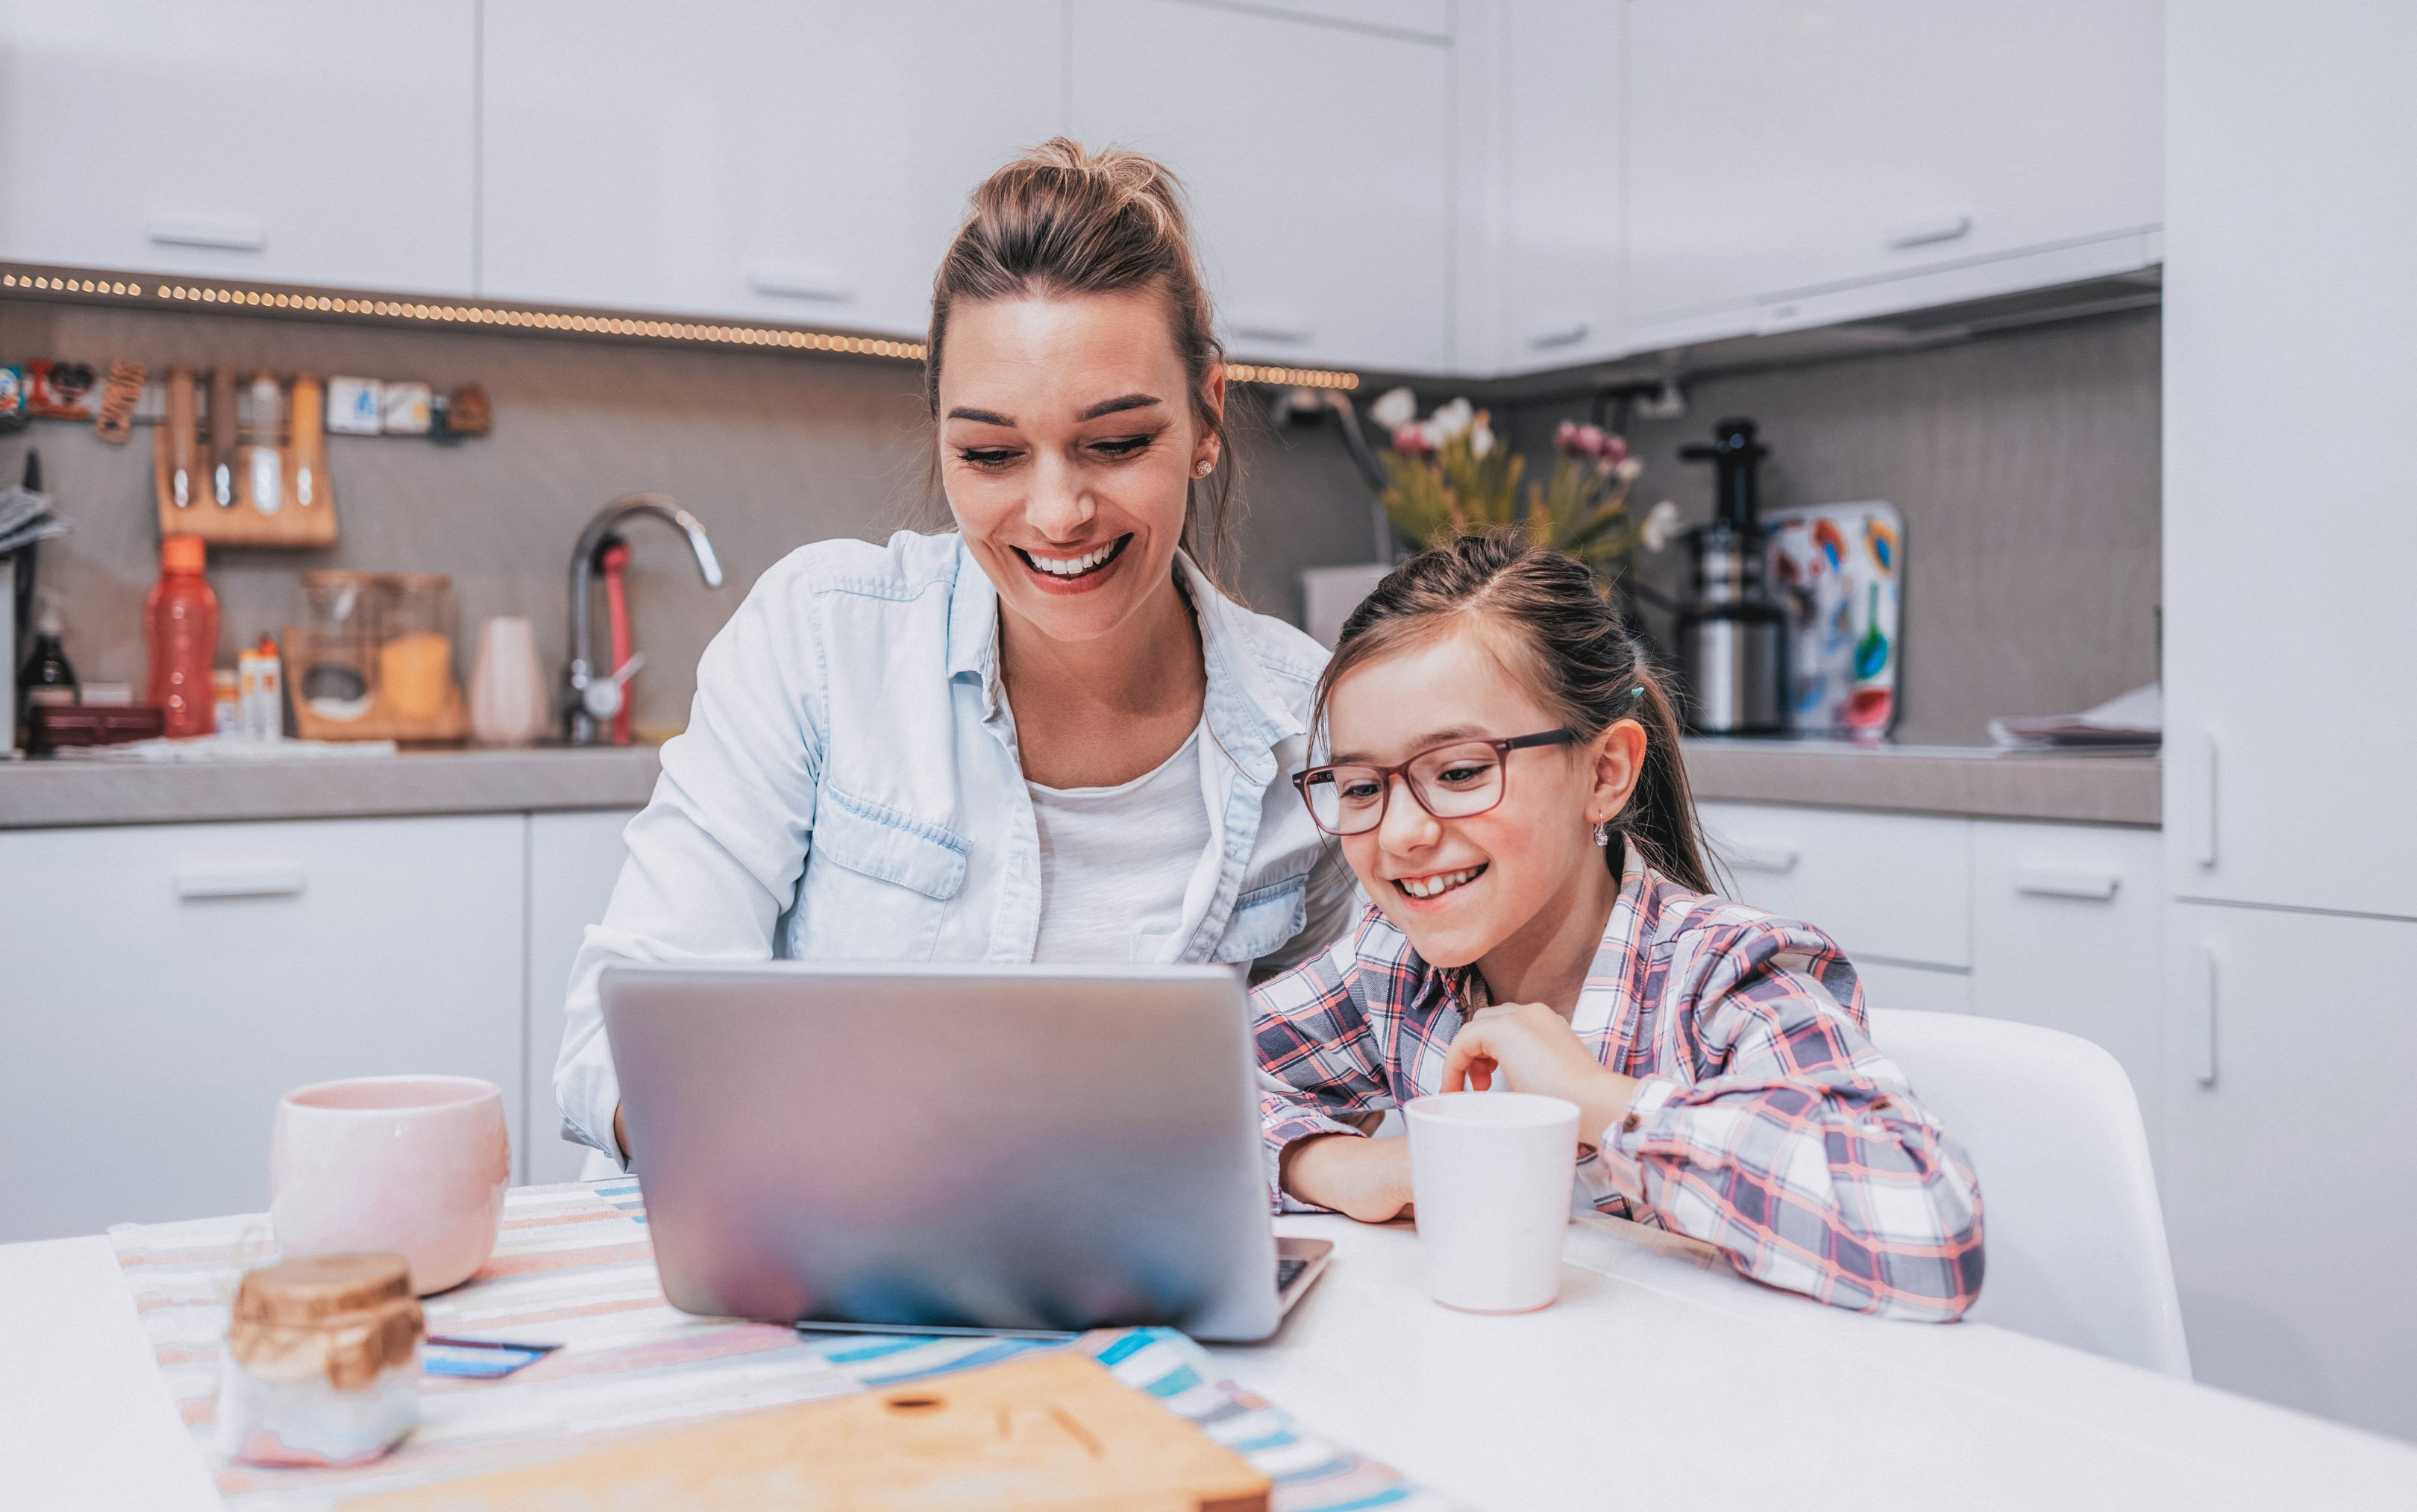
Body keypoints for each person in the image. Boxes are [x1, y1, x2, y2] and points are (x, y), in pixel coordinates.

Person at [555, 139, 1347, 1171]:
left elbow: (1355, 1080)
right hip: (825, 1270)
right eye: (991, 454)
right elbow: (611, 1047)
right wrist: (768, 1160)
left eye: (1115, 444)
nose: (1058, 512)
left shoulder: (1313, 731)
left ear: (1206, 418)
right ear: (938, 433)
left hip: (1149, 1296)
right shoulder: (824, 639)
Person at [1254, 530, 1985, 1320]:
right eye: (1360, 788)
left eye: (1461, 772)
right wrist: (1329, 1164)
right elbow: (1173, 1097)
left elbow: (1926, 1234)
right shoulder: (1391, 969)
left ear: (1604, 773)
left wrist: (1594, 1097)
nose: (1400, 834)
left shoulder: (1726, 977)